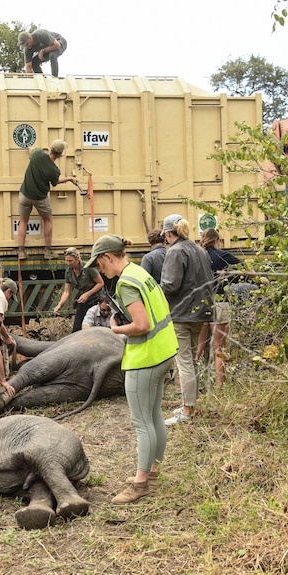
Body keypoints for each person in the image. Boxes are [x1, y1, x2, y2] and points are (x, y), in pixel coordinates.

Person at [84, 235, 178, 504]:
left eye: (99, 265)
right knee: (154, 415)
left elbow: (142, 324)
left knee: (141, 422)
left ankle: (140, 484)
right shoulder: (139, 272)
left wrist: (115, 328)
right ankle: (153, 472)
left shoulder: (125, 283)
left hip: (145, 357)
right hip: (164, 351)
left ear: (107, 258)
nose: (100, 271)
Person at [160, 215, 214, 425]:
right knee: (192, 359)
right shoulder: (199, 249)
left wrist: (157, 291)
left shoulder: (175, 251)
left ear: (167, 233)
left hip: (182, 313)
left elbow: (170, 285)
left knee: (184, 362)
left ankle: (187, 410)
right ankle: (189, 404)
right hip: (201, 312)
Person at [196, 228, 245, 389]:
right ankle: (219, 386)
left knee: (198, 345)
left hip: (200, 303)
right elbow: (248, 271)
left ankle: (189, 381)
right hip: (220, 303)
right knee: (219, 347)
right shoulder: (223, 256)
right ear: (217, 240)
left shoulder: (197, 256)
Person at [17, 140, 78, 260]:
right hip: (40, 198)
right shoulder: (54, 170)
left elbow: (31, 150)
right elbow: (56, 182)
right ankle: (48, 251)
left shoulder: (38, 154)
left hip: (25, 195)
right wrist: (70, 178)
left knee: (23, 221)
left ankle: (21, 251)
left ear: (50, 149)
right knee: (48, 220)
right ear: (60, 154)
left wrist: (31, 148)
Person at [54, 247, 104, 332]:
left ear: (77, 259)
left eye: (71, 261)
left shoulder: (88, 267)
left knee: (94, 327)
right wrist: (60, 305)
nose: (68, 263)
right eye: (66, 261)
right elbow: (67, 291)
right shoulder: (68, 271)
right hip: (83, 301)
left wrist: (88, 294)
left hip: (95, 299)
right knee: (77, 329)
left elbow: (100, 283)